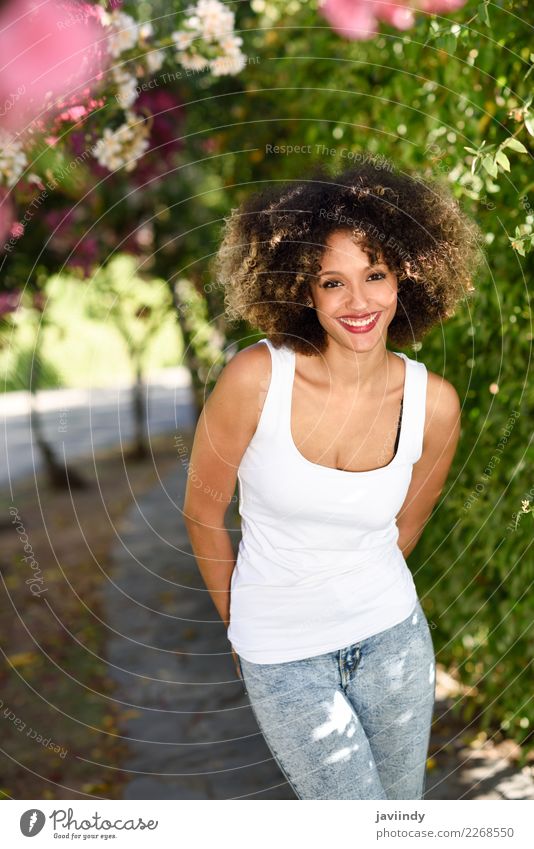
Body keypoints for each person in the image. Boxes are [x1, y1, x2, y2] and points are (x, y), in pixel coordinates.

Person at [183, 158, 484, 799]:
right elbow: (203, 514)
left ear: (405, 274)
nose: (358, 303)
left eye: (374, 275)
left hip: (393, 641)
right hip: (283, 653)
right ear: (303, 289)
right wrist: (241, 626)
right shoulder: (255, 379)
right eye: (332, 282)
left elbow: (407, 524)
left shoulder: (435, 404)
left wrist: (350, 590)